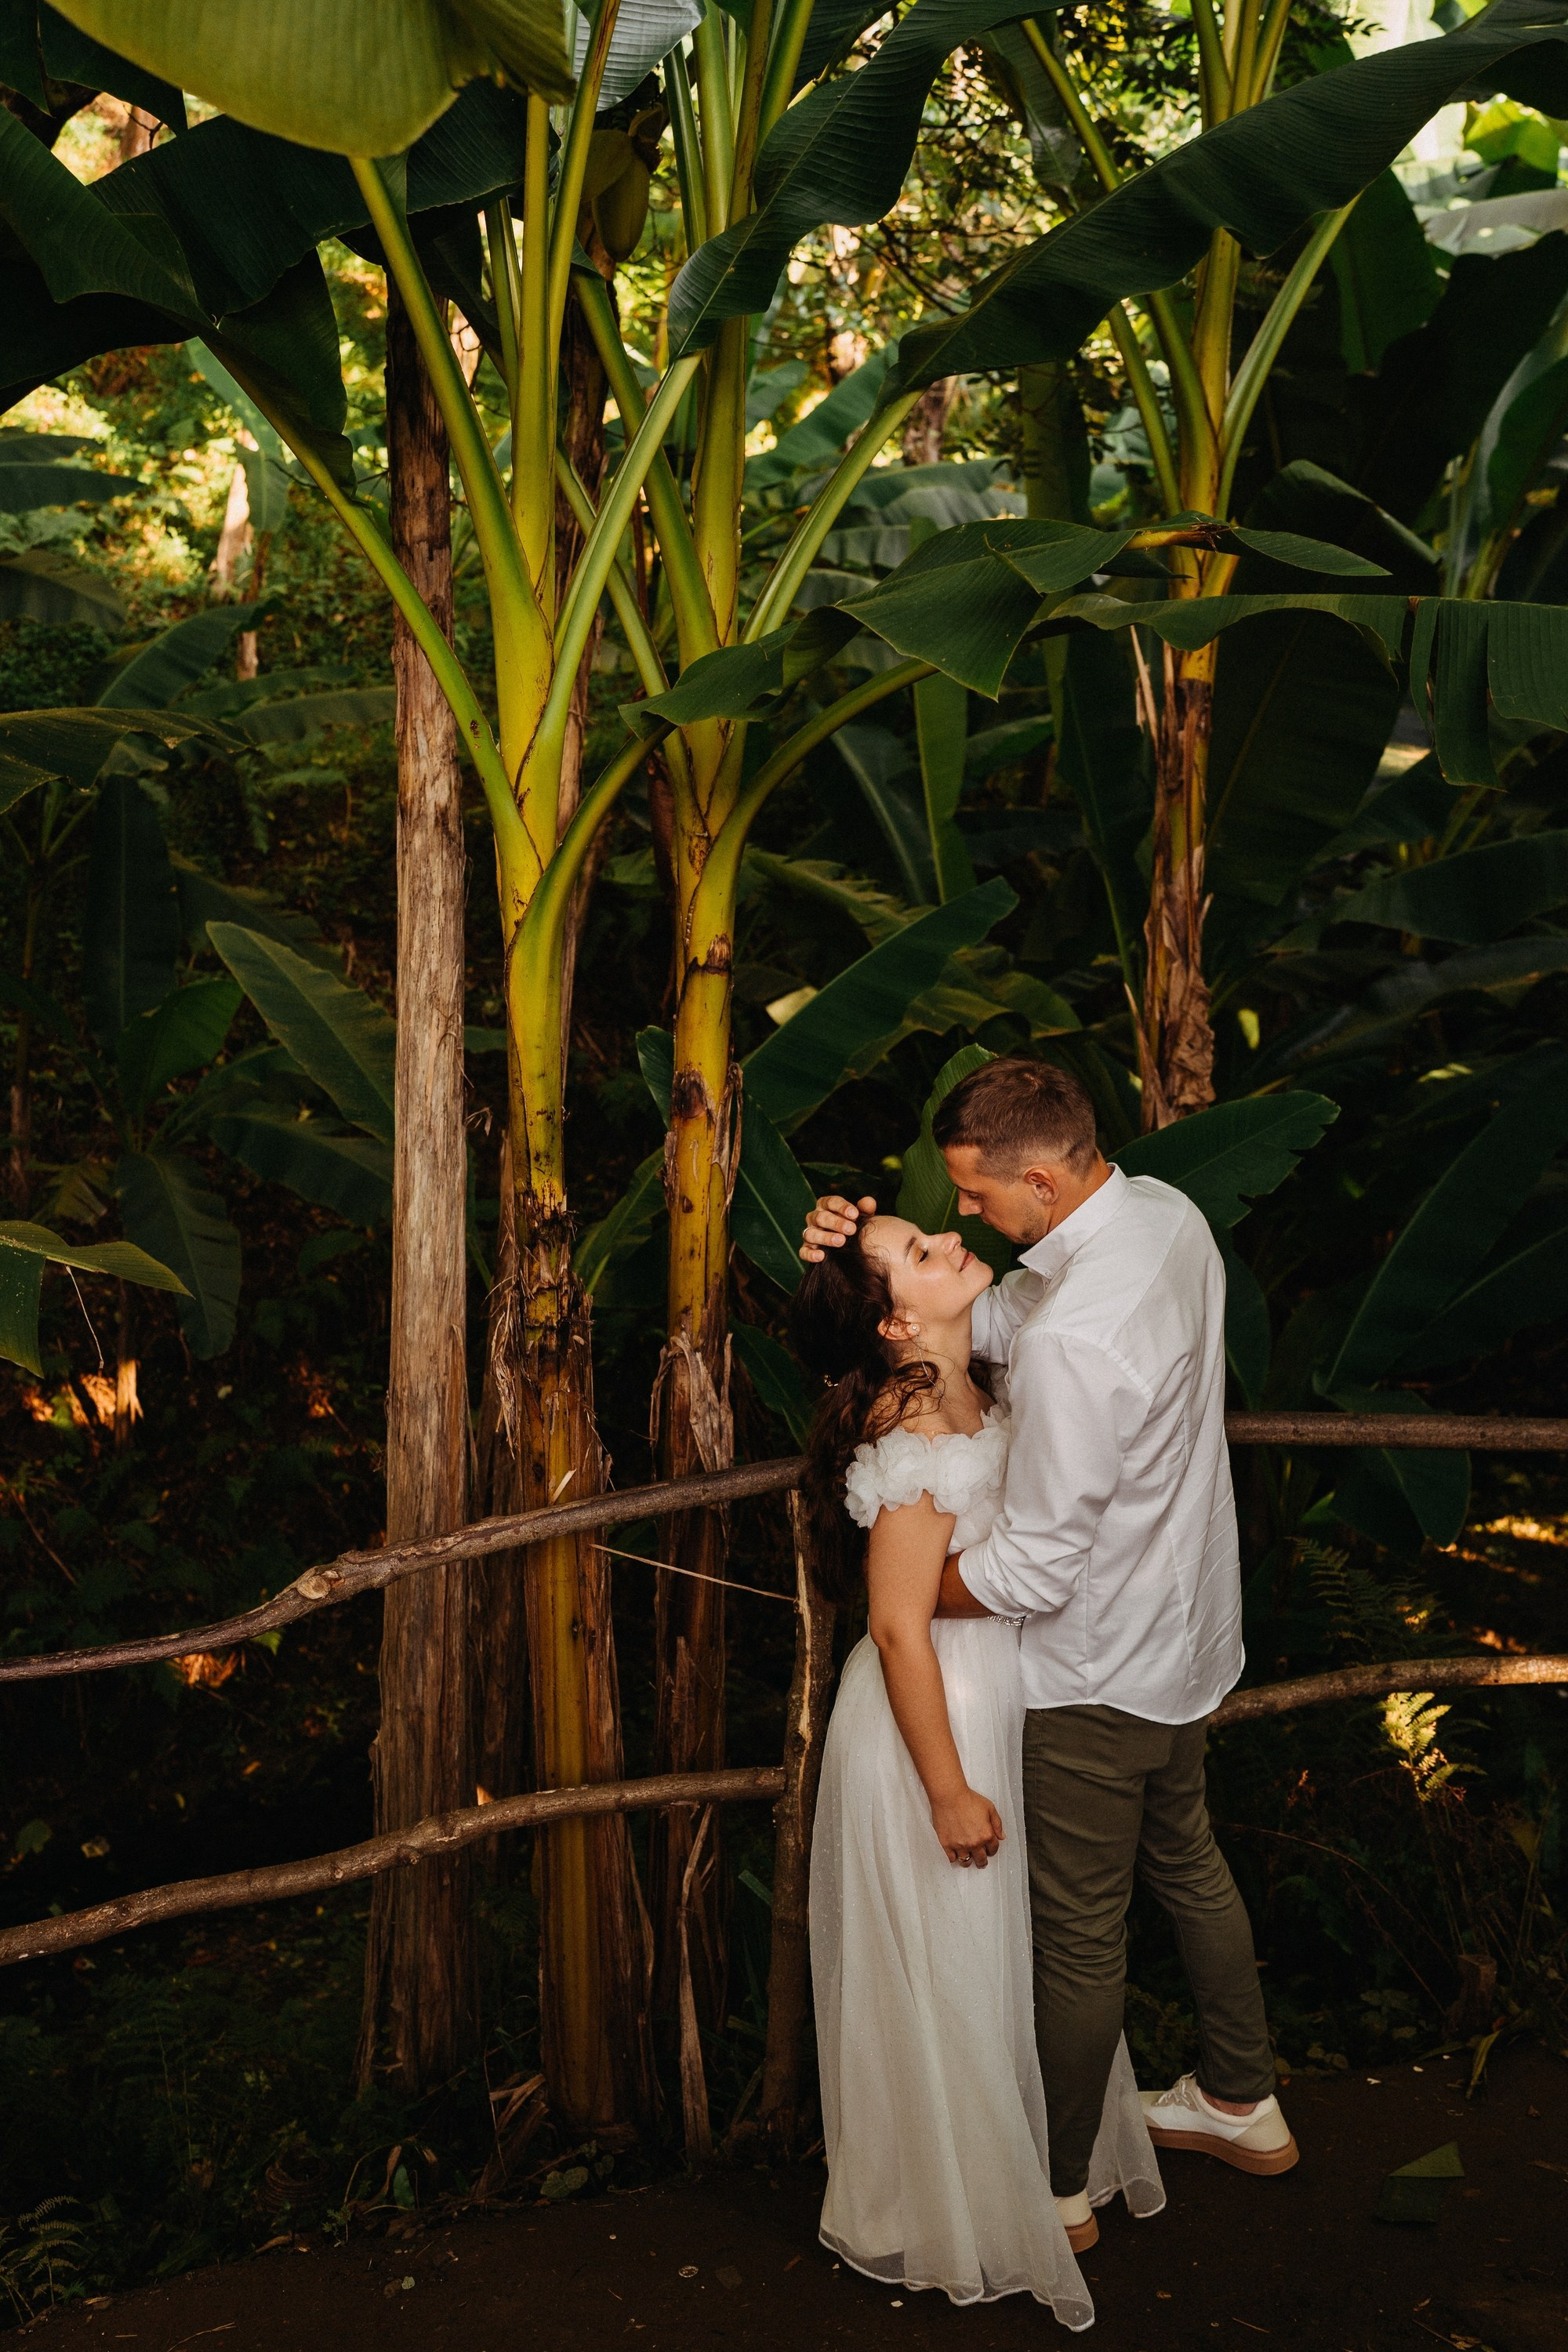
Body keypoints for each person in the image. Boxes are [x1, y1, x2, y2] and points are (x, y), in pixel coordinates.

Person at [801, 1055, 1298, 2244]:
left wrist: (914, 1601)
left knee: (1077, 1937)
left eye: (975, 1197)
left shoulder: (1072, 1340)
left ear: (1038, 1175)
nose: (966, 1214)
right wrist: (843, 1244)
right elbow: (988, 1319)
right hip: (1185, 1637)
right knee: (1188, 1862)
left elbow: (1031, 1570)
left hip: (1092, 1668)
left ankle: (1060, 2184)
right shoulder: (1163, 1217)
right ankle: (1244, 2097)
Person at [794, 1210, 1161, 2326]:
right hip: (929, 1715)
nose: (953, 1238)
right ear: (898, 1317)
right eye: (920, 1250)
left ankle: (1026, 2175)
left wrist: (838, 1227)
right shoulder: (908, 1412)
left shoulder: (975, 1377)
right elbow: (900, 1624)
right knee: (950, 1954)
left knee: (1001, 1947)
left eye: (938, 1229)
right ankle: (946, 2207)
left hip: (990, 1689)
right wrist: (948, 1787)